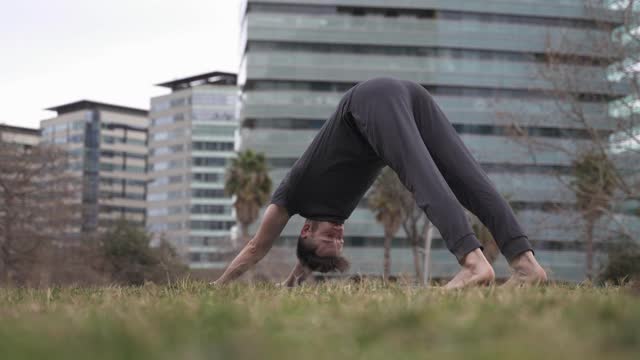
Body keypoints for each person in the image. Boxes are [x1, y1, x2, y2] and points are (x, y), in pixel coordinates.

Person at [213, 76, 548, 289]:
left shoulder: (291, 196)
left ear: (306, 230)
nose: (339, 234)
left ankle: (474, 264)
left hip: (367, 102)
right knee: (467, 179)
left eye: (330, 236)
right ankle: (526, 265)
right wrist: (289, 287)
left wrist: (219, 286)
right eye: (339, 242)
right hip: (410, 94)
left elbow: (256, 248)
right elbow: (312, 258)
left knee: (422, 177)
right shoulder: (325, 226)